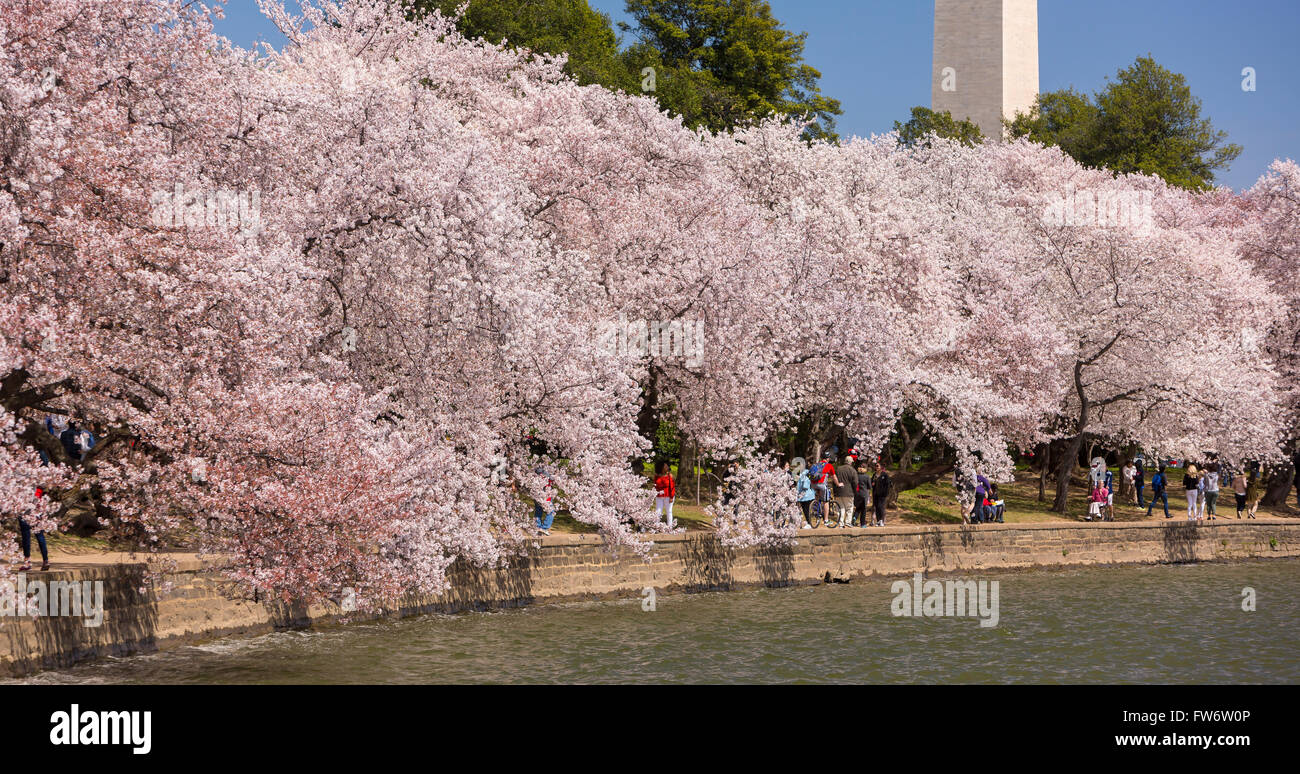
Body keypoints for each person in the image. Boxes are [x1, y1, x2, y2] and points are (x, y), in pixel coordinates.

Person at [17, 488, 50, 572]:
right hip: (37, 514)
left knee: (26, 538)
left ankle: (27, 563)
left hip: (25, 513)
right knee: (40, 537)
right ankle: (45, 560)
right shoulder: (39, 487)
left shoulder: (21, 483)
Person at [833, 457, 857, 526]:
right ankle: (848, 522)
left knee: (840, 508)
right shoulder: (852, 470)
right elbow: (855, 482)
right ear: (851, 462)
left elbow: (834, 480)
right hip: (849, 492)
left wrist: (835, 491)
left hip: (839, 491)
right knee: (849, 508)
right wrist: (855, 491)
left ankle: (840, 523)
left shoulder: (838, 469)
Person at [533, 466, 556, 535]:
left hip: (537, 496)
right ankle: (544, 528)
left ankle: (537, 527)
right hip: (546, 497)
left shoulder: (533, 477)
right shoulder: (546, 475)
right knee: (551, 512)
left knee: (538, 511)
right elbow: (553, 480)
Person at [654, 462, 676, 529]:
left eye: (667, 466)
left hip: (668, 496)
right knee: (658, 511)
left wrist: (671, 497)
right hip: (659, 497)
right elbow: (655, 486)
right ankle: (656, 527)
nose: (667, 467)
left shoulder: (670, 476)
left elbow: (672, 487)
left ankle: (669, 527)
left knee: (669, 511)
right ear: (661, 467)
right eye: (665, 466)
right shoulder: (656, 476)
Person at [871, 462, 891, 526]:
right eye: (876, 466)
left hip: (882, 494)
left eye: (877, 466)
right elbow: (871, 482)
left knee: (881, 507)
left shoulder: (884, 475)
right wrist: (872, 484)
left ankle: (882, 520)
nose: (876, 467)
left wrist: (885, 493)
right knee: (876, 507)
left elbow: (888, 484)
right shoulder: (874, 475)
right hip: (875, 494)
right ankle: (878, 521)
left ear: (881, 467)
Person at [853, 462, 870, 528]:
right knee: (863, 509)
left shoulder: (856, 475)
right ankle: (862, 523)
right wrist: (869, 496)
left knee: (858, 508)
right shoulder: (867, 476)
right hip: (864, 494)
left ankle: (854, 517)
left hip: (857, 494)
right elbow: (869, 487)